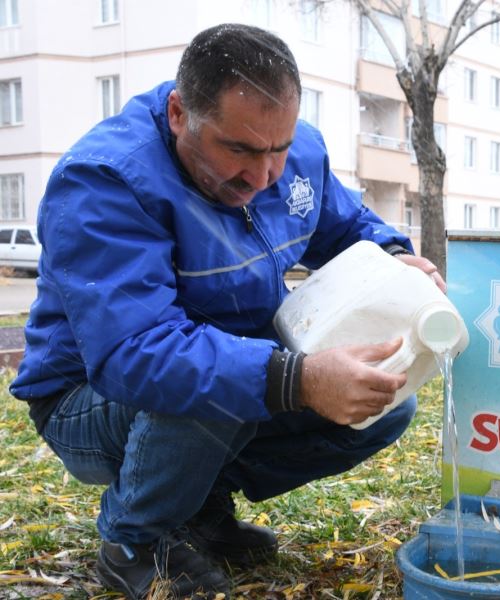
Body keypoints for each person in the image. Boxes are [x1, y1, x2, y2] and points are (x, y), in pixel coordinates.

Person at [10, 23, 445, 600]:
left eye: (277, 150)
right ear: (177, 114)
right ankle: (133, 539)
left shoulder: (295, 154)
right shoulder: (106, 183)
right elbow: (133, 357)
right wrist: (300, 378)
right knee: (219, 383)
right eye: (238, 150)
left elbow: (345, 229)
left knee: (384, 405)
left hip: (218, 368)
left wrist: (395, 259)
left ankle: (199, 508)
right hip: (84, 399)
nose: (263, 176)